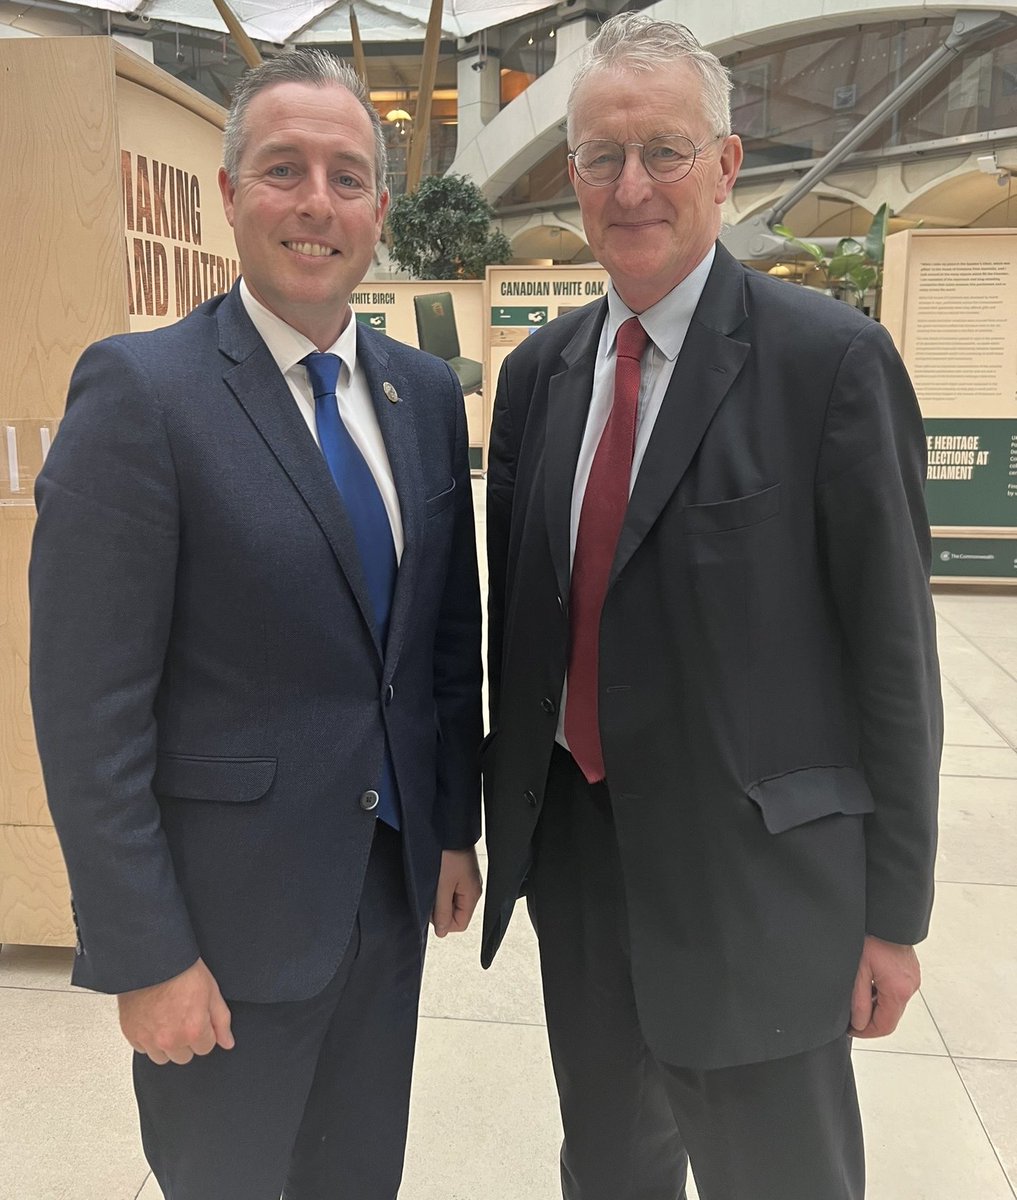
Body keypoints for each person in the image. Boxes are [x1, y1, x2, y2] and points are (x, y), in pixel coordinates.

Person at [480, 13, 941, 1200]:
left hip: (758, 895)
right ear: (571, 173)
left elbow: (894, 657)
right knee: (611, 1170)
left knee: (778, 1177)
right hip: (583, 875)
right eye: (600, 156)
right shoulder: (537, 378)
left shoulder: (829, 365)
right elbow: (523, 629)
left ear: (727, 167)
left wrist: (894, 913)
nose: (630, 185)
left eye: (664, 151)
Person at [29, 50, 483, 1200]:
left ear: (381, 209)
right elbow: (89, 712)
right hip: (220, 944)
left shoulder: (421, 398)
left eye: (345, 176)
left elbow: (439, 646)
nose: (317, 204)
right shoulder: (143, 394)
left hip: (381, 916)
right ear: (230, 195)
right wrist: (147, 953)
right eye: (285, 170)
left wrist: (450, 828)